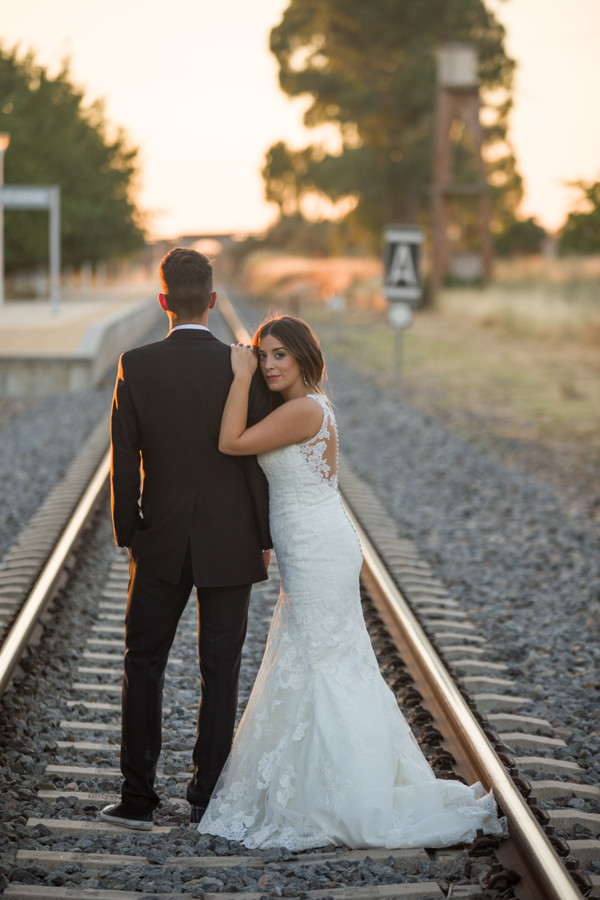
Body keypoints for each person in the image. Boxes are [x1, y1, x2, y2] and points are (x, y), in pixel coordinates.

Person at [197, 314, 504, 850]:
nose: (268, 364)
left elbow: (229, 442)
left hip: (319, 547)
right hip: (309, 542)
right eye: (262, 355)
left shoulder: (305, 409)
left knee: (324, 661)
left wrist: (240, 372)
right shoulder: (301, 406)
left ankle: (348, 795)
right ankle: (325, 783)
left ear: (302, 358)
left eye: (277, 356)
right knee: (322, 658)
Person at [102, 248, 271, 831]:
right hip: (231, 539)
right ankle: (207, 799)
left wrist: (131, 534)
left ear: (163, 301)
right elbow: (258, 460)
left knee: (143, 661)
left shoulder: (136, 364)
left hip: (162, 541)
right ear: (214, 302)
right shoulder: (243, 365)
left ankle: (137, 799)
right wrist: (264, 535)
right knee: (220, 667)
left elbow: (124, 460)